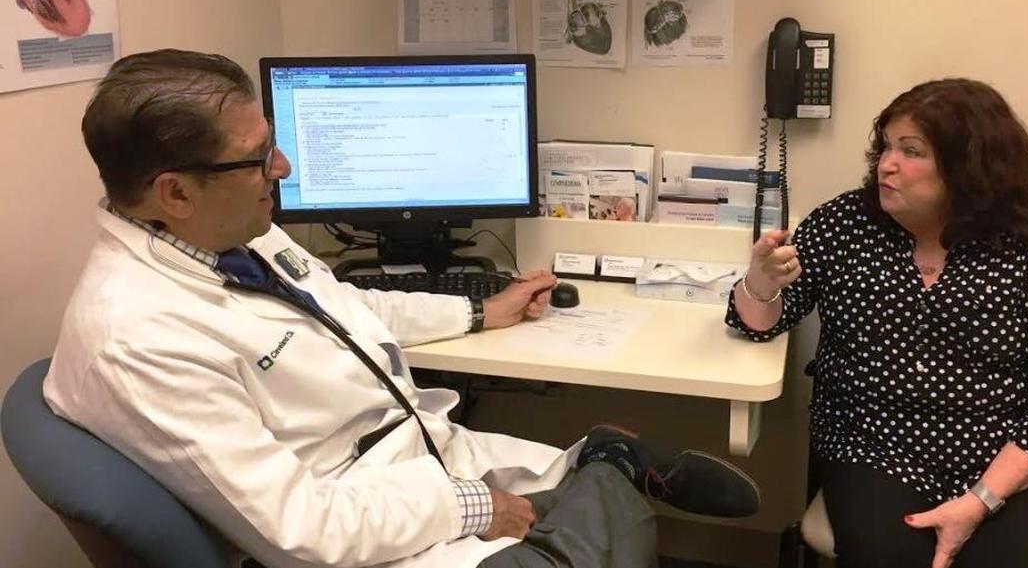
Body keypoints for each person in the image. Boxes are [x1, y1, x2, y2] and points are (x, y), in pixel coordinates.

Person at [44, 49, 759, 568]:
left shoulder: (227, 236)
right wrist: (472, 506)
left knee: (592, 519)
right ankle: (610, 465)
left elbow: (346, 305)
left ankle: (601, 473)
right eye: (260, 157)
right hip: (353, 522)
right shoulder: (136, 335)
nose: (284, 170)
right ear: (175, 192)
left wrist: (479, 314)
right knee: (588, 538)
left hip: (408, 449)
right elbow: (299, 528)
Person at [726, 78, 1028, 568]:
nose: (887, 164)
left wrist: (979, 500)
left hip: (1013, 459)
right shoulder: (846, 226)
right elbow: (758, 324)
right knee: (891, 555)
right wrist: (759, 281)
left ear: (969, 166)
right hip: (875, 444)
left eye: (912, 151)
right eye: (885, 147)